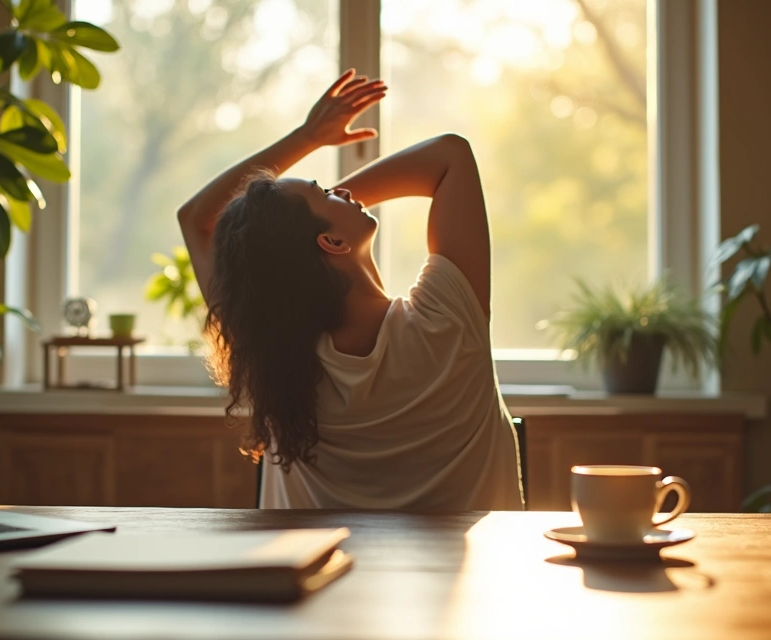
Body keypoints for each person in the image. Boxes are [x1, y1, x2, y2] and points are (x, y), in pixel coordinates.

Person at [178, 70, 523, 510]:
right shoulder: (447, 320)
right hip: (462, 581)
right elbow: (449, 155)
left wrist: (300, 219)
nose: (342, 190)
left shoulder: (274, 359)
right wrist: (313, 207)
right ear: (334, 244)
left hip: (318, 578)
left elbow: (196, 219)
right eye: (327, 191)